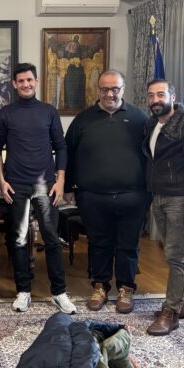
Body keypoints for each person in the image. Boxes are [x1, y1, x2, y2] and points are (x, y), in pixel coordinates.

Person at [65, 70, 150, 314]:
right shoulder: (82, 120)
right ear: (98, 89)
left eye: (115, 89)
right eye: (105, 89)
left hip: (133, 196)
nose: (110, 94)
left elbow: (152, 155)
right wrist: (69, 187)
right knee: (98, 243)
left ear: (123, 89)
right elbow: (68, 154)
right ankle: (100, 286)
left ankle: (126, 288)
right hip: (92, 197)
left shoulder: (140, 118)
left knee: (128, 245)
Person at [0, 63, 76, 314]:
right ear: (14, 84)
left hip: (45, 185)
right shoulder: (6, 113)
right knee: (19, 239)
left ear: (36, 81)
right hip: (16, 184)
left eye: (29, 80)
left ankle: (59, 292)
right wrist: (1, 181)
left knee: (51, 239)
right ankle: (23, 291)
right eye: (21, 81)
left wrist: (60, 181)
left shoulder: (48, 111)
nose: (26, 84)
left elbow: (61, 147)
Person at [143, 79, 184, 335]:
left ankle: (171, 312)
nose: (156, 100)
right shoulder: (153, 125)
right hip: (159, 197)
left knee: (177, 256)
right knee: (174, 253)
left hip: (180, 200)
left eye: (161, 94)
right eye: (151, 95)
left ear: (173, 97)